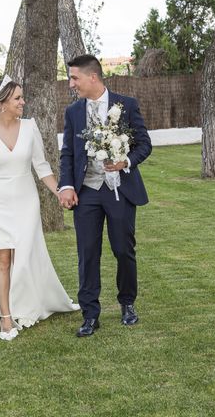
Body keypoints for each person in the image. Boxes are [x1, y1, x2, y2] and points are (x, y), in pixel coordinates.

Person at [0, 75, 79, 341]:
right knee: (1, 259)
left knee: (23, 257)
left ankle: (26, 305)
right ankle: (6, 317)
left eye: (22, 97)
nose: (23, 102)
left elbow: (41, 166)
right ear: (2, 103)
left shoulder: (29, 127)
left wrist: (59, 190)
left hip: (26, 201)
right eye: (18, 98)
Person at [58, 54, 152, 337]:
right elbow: (68, 153)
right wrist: (66, 186)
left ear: (92, 77)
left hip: (119, 190)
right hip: (87, 191)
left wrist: (126, 162)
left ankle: (127, 303)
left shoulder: (126, 105)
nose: (71, 83)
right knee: (87, 253)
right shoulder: (73, 112)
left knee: (123, 249)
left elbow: (144, 144)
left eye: (74, 78)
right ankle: (90, 315)